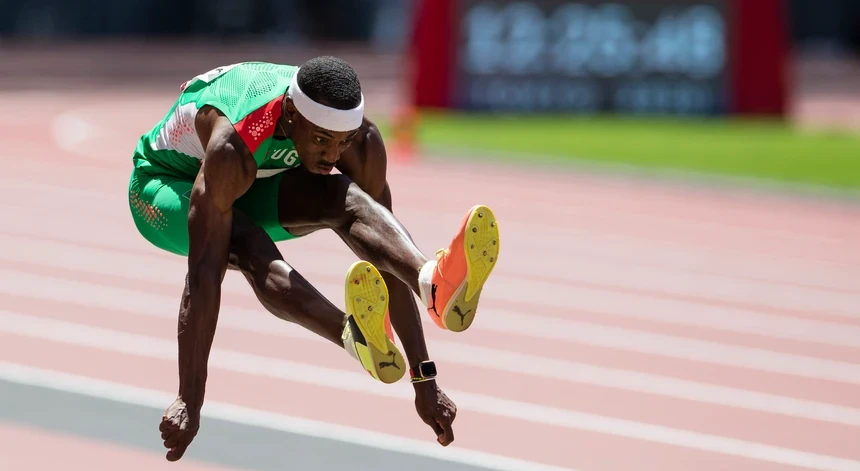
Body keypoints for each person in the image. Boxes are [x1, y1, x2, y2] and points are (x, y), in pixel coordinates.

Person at [126, 56, 501, 461]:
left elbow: (385, 259)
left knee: (349, 200)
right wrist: (189, 399)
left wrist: (423, 378)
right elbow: (203, 275)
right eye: (321, 140)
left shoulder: (362, 141)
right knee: (247, 243)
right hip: (163, 186)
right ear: (291, 113)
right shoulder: (233, 142)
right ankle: (349, 333)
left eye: (341, 142)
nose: (332, 154)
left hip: (254, 177)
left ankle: (432, 279)